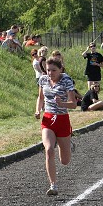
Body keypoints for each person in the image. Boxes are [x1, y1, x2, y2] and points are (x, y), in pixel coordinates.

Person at [34, 57, 77, 195]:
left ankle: (67, 143)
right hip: (48, 119)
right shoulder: (43, 80)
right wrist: (37, 110)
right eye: (48, 70)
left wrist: (62, 104)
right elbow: (40, 97)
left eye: (54, 70)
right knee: (48, 150)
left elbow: (74, 104)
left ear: (60, 70)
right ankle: (53, 185)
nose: (50, 73)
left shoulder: (66, 80)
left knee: (65, 161)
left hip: (62, 119)